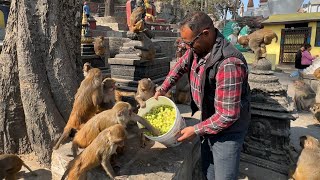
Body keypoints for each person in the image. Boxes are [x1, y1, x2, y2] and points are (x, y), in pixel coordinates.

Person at [154, 11, 251, 180]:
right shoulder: (197, 49)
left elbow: (227, 115)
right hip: (208, 120)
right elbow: (180, 66)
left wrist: (196, 129)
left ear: (205, 34)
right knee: (208, 171)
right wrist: (163, 88)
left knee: (224, 175)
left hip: (228, 130)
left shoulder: (229, 63)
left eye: (190, 43)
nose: (188, 47)